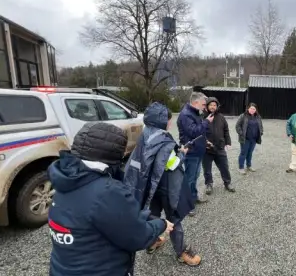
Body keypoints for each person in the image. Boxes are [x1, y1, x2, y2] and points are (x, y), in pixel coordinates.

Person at [47, 122, 172, 276]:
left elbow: (103, 217)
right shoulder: (108, 192)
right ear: (116, 155)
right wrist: (161, 224)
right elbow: (138, 237)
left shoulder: (65, 179)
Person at [123, 103, 201, 266]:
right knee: (174, 219)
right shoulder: (164, 140)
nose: (170, 123)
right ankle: (181, 253)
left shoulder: (145, 134)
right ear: (161, 121)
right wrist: (182, 154)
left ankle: (153, 241)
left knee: (152, 215)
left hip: (148, 187)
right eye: (168, 119)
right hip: (166, 186)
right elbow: (171, 164)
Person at [176, 92, 212, 205]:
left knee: (195, 176)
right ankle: (186, 203)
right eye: (203, 104)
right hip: (191, 152)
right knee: (189, 178)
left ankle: (193, 197)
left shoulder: (195, 113)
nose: (204, 107)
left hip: (198, 150)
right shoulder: (186, 115)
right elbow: (194, 131)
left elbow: (200, 133)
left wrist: (205, 142)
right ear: (196, 102)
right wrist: (206, 122)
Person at [201, 97, 234, 195]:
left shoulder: (221, 117)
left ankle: (227, 183)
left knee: (224, 167)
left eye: (214, 105)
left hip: (219, 147)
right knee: (207, 169)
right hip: (207, 149)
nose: (212, 107)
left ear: (217, 107)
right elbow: (198, 132)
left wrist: (228, 142)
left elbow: (226, 130)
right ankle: (209, 184)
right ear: (207, 106)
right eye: (211, 105)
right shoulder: (202, 117)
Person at [235, 102, 263, 173]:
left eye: (254, 109)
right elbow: (237, 126)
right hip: (245, 139)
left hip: (253, 139)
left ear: (256, 110)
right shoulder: (243, 116)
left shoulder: (258, 117)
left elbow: (261, 126)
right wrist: (241, 134)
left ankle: (249, 166)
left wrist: (261, 132)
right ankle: (241, 167)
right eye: (251, 108)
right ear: (248, 108)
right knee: (243, 153)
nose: (252, 110)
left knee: (250, 153)